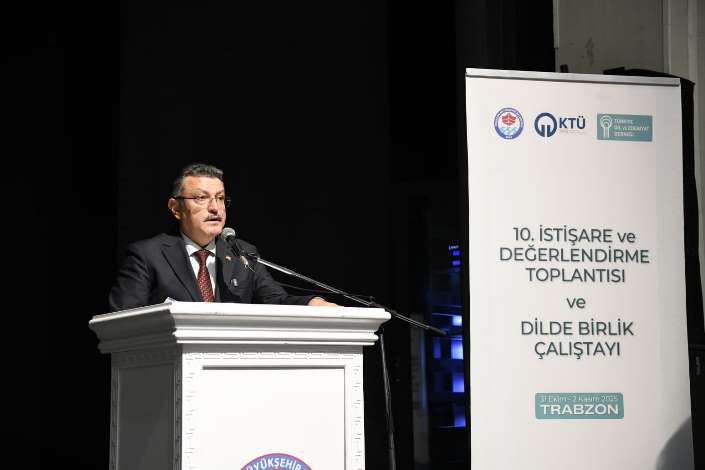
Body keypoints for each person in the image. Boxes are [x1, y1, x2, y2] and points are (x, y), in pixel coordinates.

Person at [108, 163, 336, 311]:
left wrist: (311, 302)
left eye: (220, 198)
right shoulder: (148, 255)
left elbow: (276, 300)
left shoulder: (242, 254)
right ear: (176, 208)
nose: (215, 208)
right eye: (201, 198)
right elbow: (123, 317)